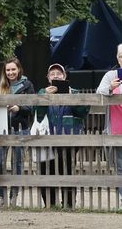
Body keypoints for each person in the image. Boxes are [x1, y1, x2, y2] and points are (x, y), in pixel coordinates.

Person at [35, 63, 89, 209]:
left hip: (70, 139)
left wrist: (70, 97)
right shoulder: (42, 92)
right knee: (47, 171)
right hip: (47, 139)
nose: (56, 76)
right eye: (52, 74)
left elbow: (84, 111)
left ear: (65, 76)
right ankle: (50, 205)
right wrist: (45, 96)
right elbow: (37, 114)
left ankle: (69, 205)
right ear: (48, 78)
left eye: (59, 73)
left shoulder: (75, 92)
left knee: (68, 172)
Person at [0, 56, 34, 207]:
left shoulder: (27, 85)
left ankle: (14, 195)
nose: (11, 72)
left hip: (20, 127)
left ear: (19, 70)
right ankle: (1, 195)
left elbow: (32, 107)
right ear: (4, 71)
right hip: (2, 129)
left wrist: (19, 108)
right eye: (8, 70)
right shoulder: (0, 86)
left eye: (13, 69)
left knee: (17, 162)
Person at [95, 43, 122, 208]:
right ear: (117, 58)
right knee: (119, 166)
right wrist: (110, 87)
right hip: (116, 128)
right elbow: (99, 93)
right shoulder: (110, 75)